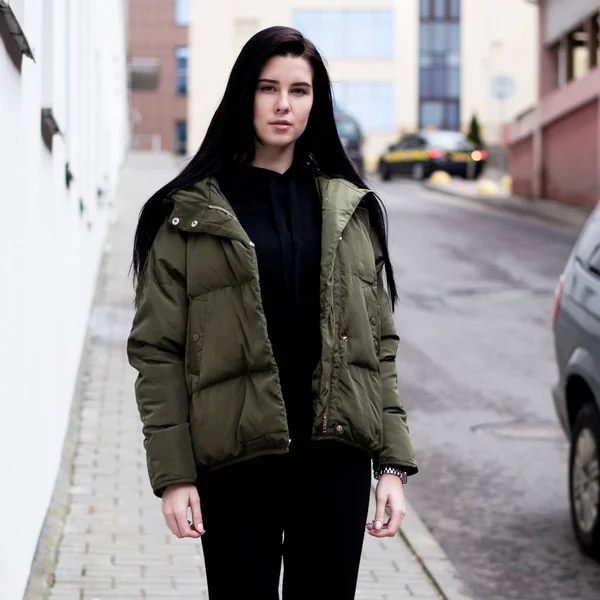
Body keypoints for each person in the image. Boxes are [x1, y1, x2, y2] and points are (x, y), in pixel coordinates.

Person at [127, 25, 418, 600]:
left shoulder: (350, 209)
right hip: (236, 461)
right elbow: (157, 351)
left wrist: (391, 467)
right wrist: (175, 474)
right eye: (268, 88)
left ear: (317, 100)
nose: (284, 104)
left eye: (300, 90)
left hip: (334, 461)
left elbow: (376, 347)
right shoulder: (189, 213)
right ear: (244, 95)